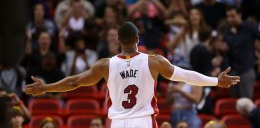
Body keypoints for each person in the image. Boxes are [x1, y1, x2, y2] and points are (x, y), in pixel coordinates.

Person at [25, 22, 240, 128]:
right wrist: (215, 81)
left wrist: (46, 88)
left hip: (118, 123)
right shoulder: (153, 61)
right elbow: (185, 76)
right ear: (138, 38)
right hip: (143, 122)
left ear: (118, 40)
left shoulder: (105, 65)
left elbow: (74, 82)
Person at [224, 6, 260, 98]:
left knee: (246, 101)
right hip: (232, 71)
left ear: (239, 15)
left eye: (233, 16)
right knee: (234, 101)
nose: (230, 19)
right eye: (228, 17)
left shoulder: (249, 28)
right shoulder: (227, 32)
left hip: (246, 69)